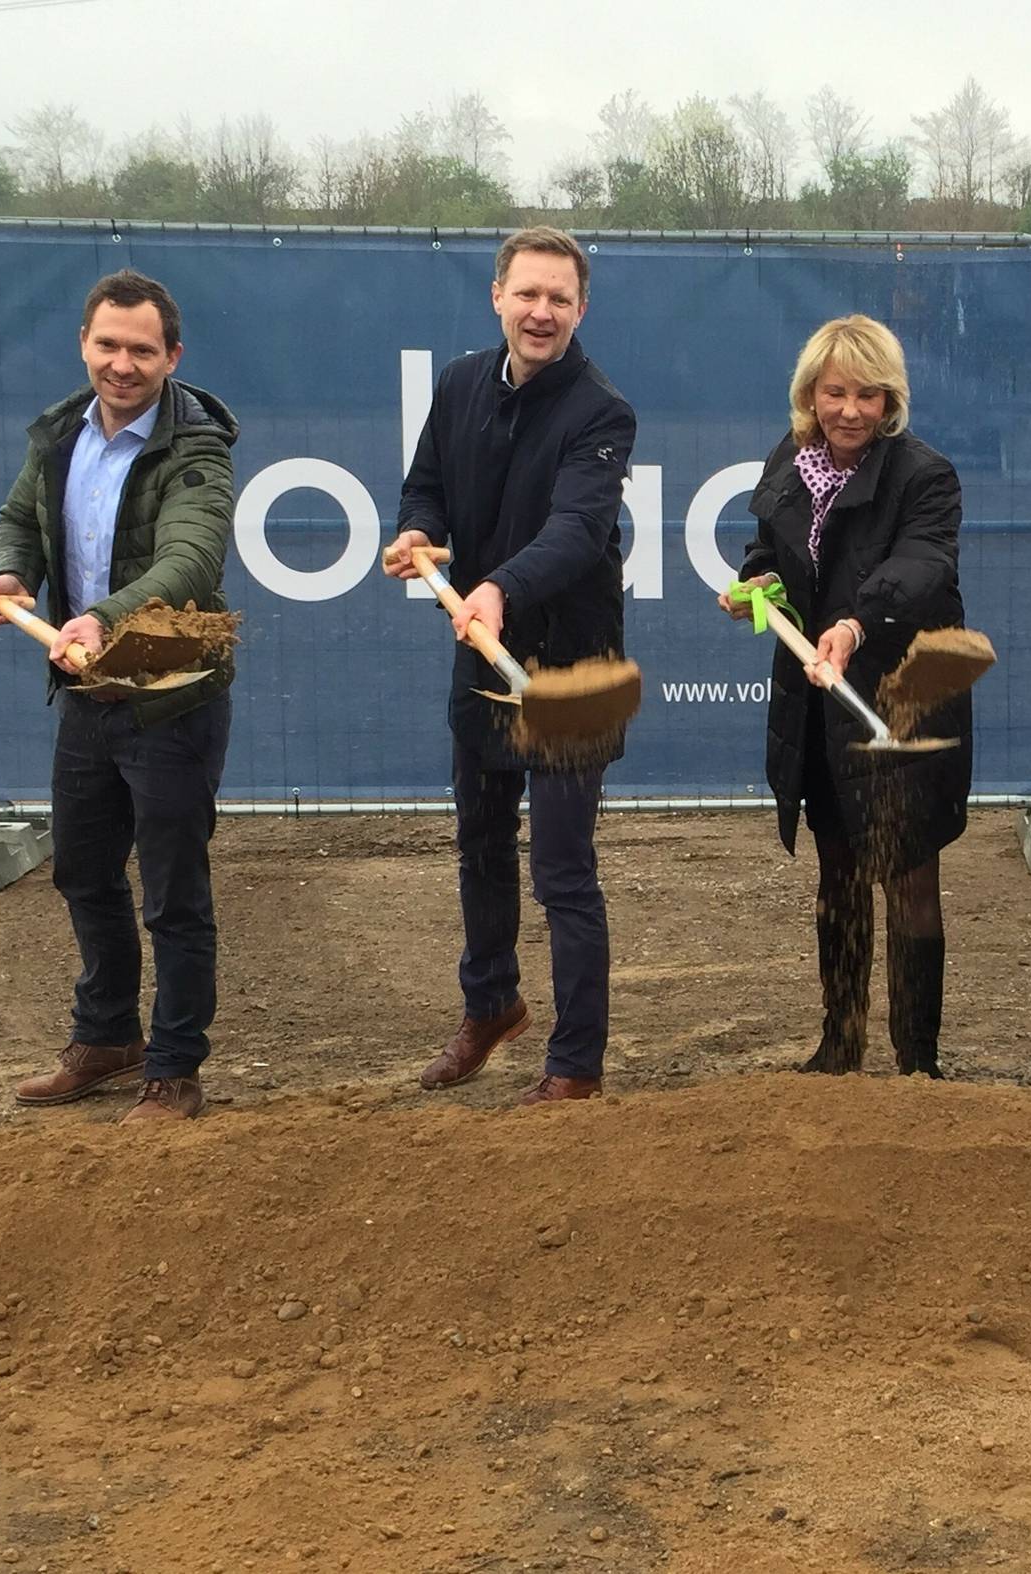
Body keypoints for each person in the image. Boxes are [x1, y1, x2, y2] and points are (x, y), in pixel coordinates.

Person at [0, 269, 238, 1123]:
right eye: (108, 346)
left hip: (170, 697)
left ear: (173, 356)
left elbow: (189, 563)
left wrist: (100, 617)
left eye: (142, 350)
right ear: (86, 343)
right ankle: (109, 1037)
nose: (123, 365)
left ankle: (174, 1068)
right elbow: (21, 518)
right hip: (87, 696)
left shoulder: (197, 448)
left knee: (173, 893)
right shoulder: (57, 433)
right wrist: (15, 569)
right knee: (84, 873)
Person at [384, 226, 637, 1106]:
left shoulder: (601, 412)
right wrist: (419, 530)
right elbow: (426, 484)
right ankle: (490, 1006)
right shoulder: (458, 386)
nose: (541, 312)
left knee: (563, 867)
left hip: (571, 671)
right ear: (498, 296)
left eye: (559, 299)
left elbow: (577, 532)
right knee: (481, 847)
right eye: (527, 294)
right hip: (481, 664)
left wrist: (497, 586)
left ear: (581, 308)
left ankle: (575, 1064)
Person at [719, 315, 970, 1078]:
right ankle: (841, 1043)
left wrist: (856, 625)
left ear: (890, 399)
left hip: (901, 696)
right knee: (838, 876)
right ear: (811, 395)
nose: (851, 410)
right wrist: (756, 584)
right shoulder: (788, 466)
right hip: (817, 705)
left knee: (908, 876)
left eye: (868, 393)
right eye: (835, 393)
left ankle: (917, 1060)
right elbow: (772, 554)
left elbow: (922, 565)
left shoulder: (924, 475)